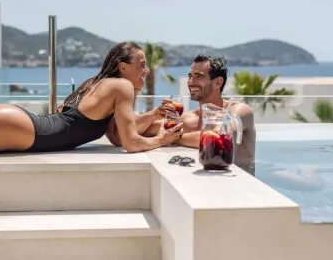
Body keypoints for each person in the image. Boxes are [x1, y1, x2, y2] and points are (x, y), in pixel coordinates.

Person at [0, 16, 183, 156]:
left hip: (18, 123)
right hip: (20, 129)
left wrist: (153, 116)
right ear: (123, 67)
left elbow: (117, 136)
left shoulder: (97, 84)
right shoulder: (121, 88)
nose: (146, 71)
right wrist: (160, 140)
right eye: (141, 64)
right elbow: (131, 143)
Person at [108, 54, 257, 173]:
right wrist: (153, 115)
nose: (191, 82)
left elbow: (217, 137)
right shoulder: (188, 119)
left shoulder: (240, 110)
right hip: (208, 177)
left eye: (198, 76)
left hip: (241, 181)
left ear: (217, 82)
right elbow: (124, 135)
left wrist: (172, 138)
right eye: (190, 76)